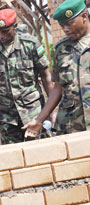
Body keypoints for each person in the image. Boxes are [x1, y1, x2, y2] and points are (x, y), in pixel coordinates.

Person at [0, 9, 54, 144]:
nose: (1, 36)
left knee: (39, 150)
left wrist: (51, 111)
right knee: (13, 155)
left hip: (33, 111)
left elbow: (45, 76)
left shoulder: (30, 44)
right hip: (6, 115)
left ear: (14, 26)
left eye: (5, 31)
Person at [23, 0, 90, 137]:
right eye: (62, 25)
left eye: (69, 23)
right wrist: (39, 119)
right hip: (72, 126)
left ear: (84, 17)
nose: (65, 29)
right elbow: (58, 87)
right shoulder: (62, 48)